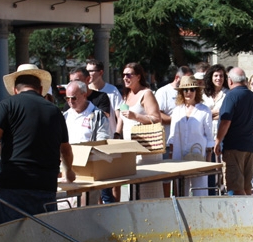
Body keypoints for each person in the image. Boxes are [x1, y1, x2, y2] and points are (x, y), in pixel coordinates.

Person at [0, 64, 74, 225]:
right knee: (41, 240)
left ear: (16, 89)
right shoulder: (54, 111)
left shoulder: (7, 105)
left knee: (9, 240)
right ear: (40, 89)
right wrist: (69, 171)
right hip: (46, 186)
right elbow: (65, 150)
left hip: (14, 185)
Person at [116, 62, 164, 199]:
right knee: (135, 191)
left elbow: (157, 119)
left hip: (146, 149)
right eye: (123, 75)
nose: (125, 78)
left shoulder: (146, 93)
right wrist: (116, 134)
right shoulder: (126, 94)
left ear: (138, 76)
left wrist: (136, 116)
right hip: (131, 151)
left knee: (149, 190)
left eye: (129, 75)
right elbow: (122, 118)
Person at [167, 75, 214, 196]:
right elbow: (172, 136)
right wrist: (171, 156)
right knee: (180, 190)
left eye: (192, 89)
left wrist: (208, 158)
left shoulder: (204, 110)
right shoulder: (177, 110)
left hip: (198, 154)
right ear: (181, 92)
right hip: (179, 154)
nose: (189, 92)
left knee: (200, 189)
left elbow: (209, 136)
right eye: (185, 90)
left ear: (197, 91)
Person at [214, 68, 253, 195]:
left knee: (235, 187)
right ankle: (250, 213)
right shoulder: (252, 96)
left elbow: (226, 121)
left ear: (230, 80)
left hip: (233, 147)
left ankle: (240, 214)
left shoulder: (231, 96)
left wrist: (218, 141)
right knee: (246, 186)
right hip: (249, 145)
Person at [86, 58, 122, 203]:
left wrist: (117, 134)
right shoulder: (85, 92)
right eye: (87, 70)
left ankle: (116, 207)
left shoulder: (112, 90)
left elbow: (120, 115)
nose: (89, 74)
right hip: (93, 142)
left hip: (111, 139)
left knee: (113, 179)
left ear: (100, 72)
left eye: (91, 71)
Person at [202, 64, 228, 137]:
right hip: (205, 132)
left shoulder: (228, 94)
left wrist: (208, 113)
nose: (218, 78)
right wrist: (214, 113)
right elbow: (200, 113)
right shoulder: (203, 94)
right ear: (211, 77)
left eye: (221, 76)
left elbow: (227, 114)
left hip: (221, 133)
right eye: (216, 75)